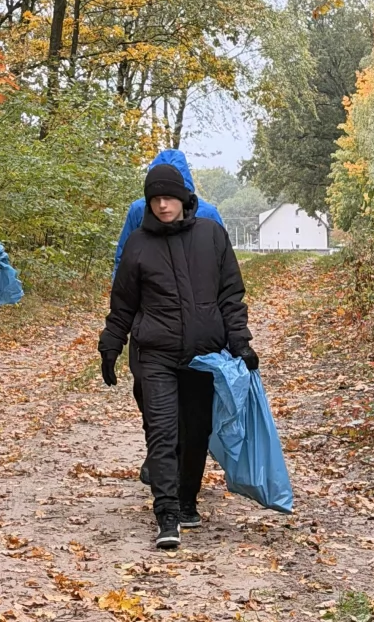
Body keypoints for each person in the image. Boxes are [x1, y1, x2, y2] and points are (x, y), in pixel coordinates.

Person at [98, 163, 257, 550]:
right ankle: (166, 512)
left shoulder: (212, 236)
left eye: (168, 197)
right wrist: (111, 344)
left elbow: (230, 297)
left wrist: (241, 343)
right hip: (155, 354)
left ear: (185, 199)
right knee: (163, 432)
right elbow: (123, 304)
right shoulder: (139, 243)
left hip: (204, 356)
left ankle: (187, 500)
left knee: (196, 431)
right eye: (155, 199)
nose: (162, 205)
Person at [112, 149, 225, 487]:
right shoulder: (139, 211)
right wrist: (126, 310)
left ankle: (181, 465)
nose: (162, 205)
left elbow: (220, 267)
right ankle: (161, 453)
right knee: (149, 391)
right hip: (150, 322)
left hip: (193, 326)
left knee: (184, 398)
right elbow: (126, 259)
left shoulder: (208, 215)